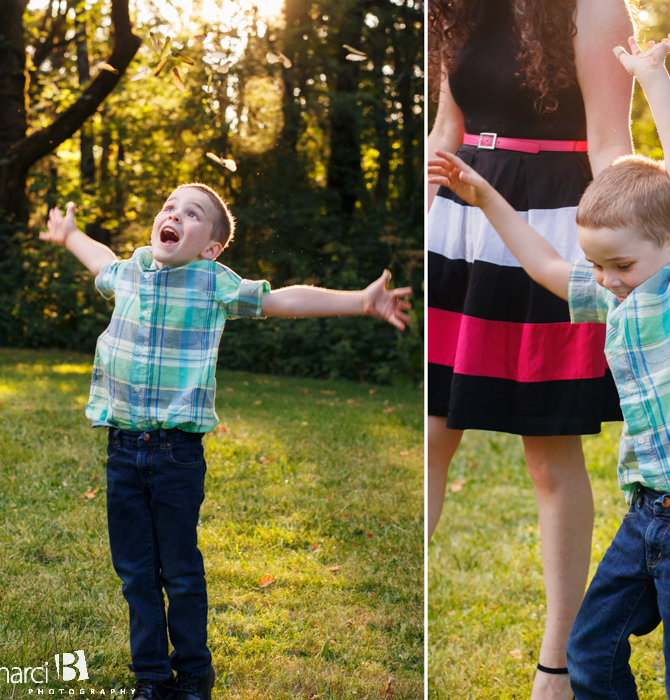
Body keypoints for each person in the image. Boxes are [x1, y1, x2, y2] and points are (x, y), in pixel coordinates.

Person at [429, 33, 670, 699]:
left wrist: (651, 78)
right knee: (590, 652)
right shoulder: (617, 295)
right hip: (646, 516)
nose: (607, 281)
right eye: (600, 266)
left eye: (619, 266)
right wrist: (488, 197)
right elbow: (549, 267)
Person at [40, 184, 412, 700]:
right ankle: (150, 678)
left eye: (192, 215)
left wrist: (359, 301)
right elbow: (101, 258)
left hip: (176, 455)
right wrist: (71, 234)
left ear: (211, 247)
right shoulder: (132, 269)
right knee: (135, 573)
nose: (174, 215)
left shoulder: (212, 282)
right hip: (122, 449)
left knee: (181, 572)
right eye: (170, 207)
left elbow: (281, 300)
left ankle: (193, 674)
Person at [427, 0, 634, 695]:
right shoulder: (451, 7)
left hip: (549, 224)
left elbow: (610, 144)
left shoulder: (597, 8)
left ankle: (556, 669)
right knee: (429, 431)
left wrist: (633, 241)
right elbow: (446, 131)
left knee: (548, 452)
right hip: (456, 225)